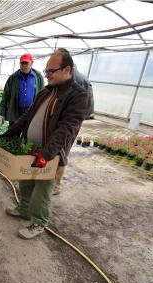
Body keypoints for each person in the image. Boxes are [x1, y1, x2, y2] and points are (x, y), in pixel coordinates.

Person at [3, 48, 90, 239]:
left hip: (49, 154)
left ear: (67, 70)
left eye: (51, 71)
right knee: (25, 181)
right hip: (29, 148)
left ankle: (38, 223)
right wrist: (10, 133)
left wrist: (47, 153)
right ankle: (24, 210)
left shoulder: (77, 96)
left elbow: (68, 128)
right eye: (46, 71)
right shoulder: (46, 91)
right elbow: (28, 115)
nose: (47, 75)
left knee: (42, 191)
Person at [53, 65, 94, 195]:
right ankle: (53, 182)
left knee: (62, 151)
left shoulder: (77, 81)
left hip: (69, 121)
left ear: (67, 69)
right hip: (71, 121)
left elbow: (87, 105)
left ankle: (56, 186)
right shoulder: (83, 78)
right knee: (62, 149)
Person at [0, 53, 44, 126]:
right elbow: (5, 95)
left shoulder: (38, 77)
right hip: (16, 111)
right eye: (22, 63)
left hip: (31, 112)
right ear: (20, 64)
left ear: (32, 63)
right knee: (13, 131)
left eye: (26, 63)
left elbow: (42, 96)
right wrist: (2, 113)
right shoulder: (13, 78)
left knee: (28, 133)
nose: (24, 65)